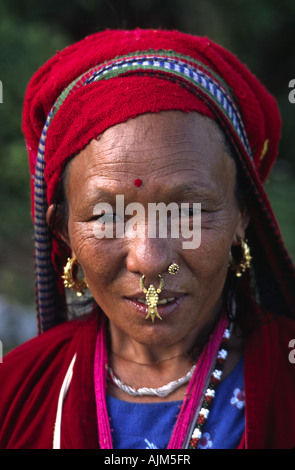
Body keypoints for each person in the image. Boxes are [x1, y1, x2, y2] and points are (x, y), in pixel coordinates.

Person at [0, 28, 295, 450]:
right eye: (109, 216)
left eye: (187, 212)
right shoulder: (14, 394)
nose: (150, 259)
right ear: (64, 232)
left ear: (241, 217)